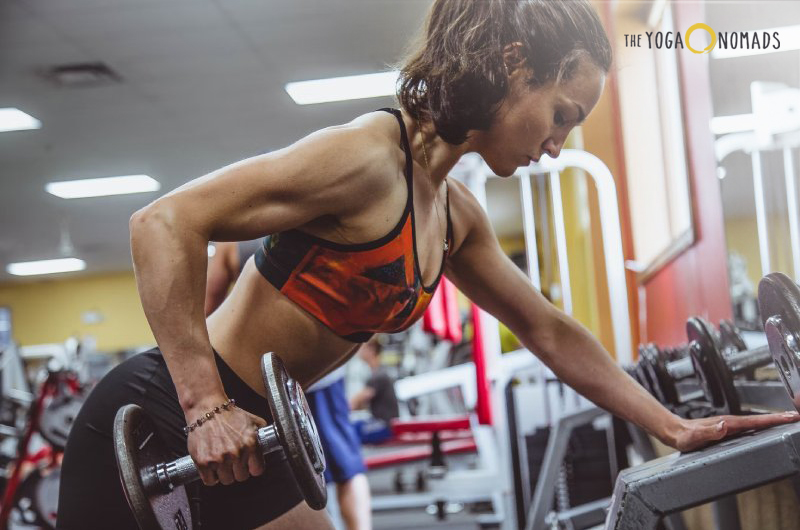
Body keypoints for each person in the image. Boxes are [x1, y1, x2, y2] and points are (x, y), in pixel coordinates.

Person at [57, 1, 800, 528]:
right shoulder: (365, 158)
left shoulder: (451, 216)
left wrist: (674, 427)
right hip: (163, 413)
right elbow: (162, 223)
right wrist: (203, 405)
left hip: (255, 431)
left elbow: (547, 327)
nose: (559, 143)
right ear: (515, 66)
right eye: (563, 114)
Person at [206, 240, 373, 530]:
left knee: (280, 469)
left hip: (261, 372)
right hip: (313, 363)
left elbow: (207, 310)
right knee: (341, 464)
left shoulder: (230, 240)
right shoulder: (309, 214)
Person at [350, 339, 399, 444]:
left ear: (371, 350)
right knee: (354, 426)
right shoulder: (378, 372)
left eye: (362, 348)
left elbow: (357, 401)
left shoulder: (378, 375)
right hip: (382, 422)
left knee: (351, 430)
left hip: (385, 425)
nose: (359, 351)